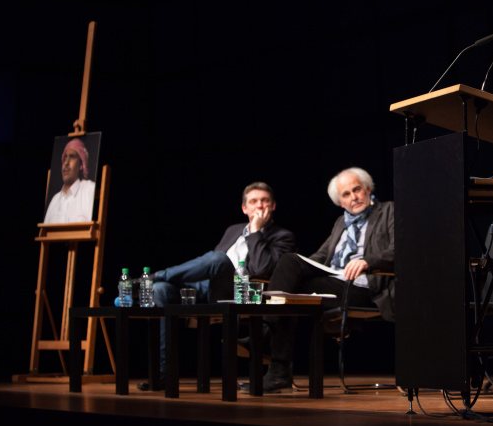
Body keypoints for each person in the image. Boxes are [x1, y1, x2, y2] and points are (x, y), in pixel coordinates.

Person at [136, 181, 296, 391]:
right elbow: (206, 268)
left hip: (240, 291)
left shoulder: (283, 236)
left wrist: (256, 232)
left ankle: (156, 275)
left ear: (273, 205)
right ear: (244, 208)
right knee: (160, 291)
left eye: (265, 201)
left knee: (219, 259)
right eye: (253, 202)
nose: (260, 206)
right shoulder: (233, 230)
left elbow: (262, 269)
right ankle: (164, 374)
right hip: (207, 288)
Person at [257, 167, 395, 392]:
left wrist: (368, 261)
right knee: (291, 269)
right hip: (333, 283)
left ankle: (265, 339)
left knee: (291, 278)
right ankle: (278, 372)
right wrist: (298, 269)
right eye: (346, 194)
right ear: (340, 203)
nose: (354, 197)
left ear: (368, 190)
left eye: (357, 189)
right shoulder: (340, 223)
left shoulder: (388, 211)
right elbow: (320, 257)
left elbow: (401, 249)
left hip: (364, 287)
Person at [44, 138, 96, 223]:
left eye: (72, 157)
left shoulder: (89, 190)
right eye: (64, 158)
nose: (66, 163)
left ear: (81, 165)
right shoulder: (55, 200)